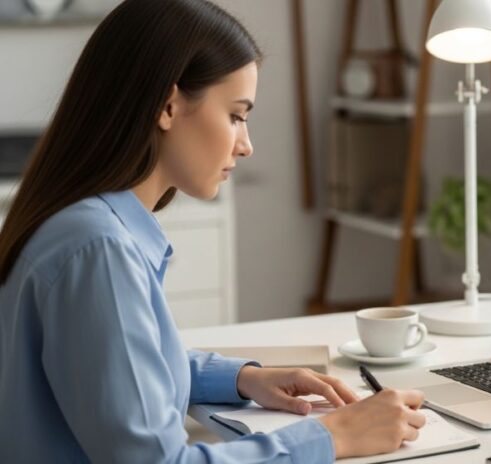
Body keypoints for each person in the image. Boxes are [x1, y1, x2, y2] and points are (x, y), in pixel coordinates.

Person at [0, 1, 425, 462]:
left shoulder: (79, 222)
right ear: (167, 105)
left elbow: (110, 367)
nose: (246, 145)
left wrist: (242, 378)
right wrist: (332, 437)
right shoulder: (98, 249)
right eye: (236, 115)